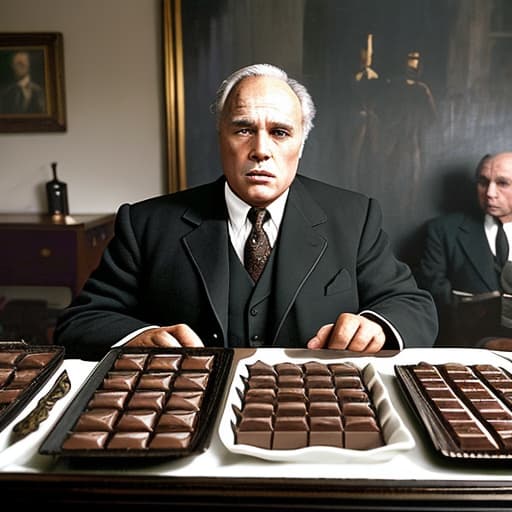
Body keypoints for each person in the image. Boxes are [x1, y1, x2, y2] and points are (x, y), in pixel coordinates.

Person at [54, 63, 438, 361]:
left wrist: (375, 327)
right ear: (220, 136)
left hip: (317, 409)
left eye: (280, 132)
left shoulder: (355, 217)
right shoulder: (146, 224)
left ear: (301, 143)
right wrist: (137, 338)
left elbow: (412, 307)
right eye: (243, 130)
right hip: (187, 412)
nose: (261, 150)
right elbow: (80, 322)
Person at [416, 152, 512, 346]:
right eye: (483, 182)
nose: (490, 193)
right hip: (465, 348)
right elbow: (431, 292)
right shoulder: (443, 230)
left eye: (503, 183)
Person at [0, 50, 45, 114]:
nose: (20, 67)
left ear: (29, 64)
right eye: (17, 64)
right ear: (12, 65)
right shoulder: (4, 92)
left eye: (22, 63)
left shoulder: (40, 91)